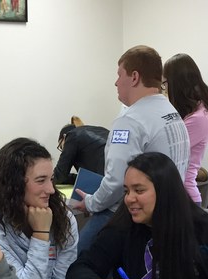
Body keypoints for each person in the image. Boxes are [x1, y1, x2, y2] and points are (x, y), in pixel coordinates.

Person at [66, 152, 208, 279]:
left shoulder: (207, 229)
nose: (129, 199)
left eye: (139, 191)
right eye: (127, 191)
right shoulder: (123, 226)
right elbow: (80, 269)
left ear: (165, 191)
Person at [71, 45, 190, 253]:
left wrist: (90, 203)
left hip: (126, 216)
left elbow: (116, 182)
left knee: (77, 263)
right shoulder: (171, 114)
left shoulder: (131, 121)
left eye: (119, 75)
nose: (116, 82)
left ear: (134, 77)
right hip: (167, 214)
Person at [0, 138, 78, 279]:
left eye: (51, 179)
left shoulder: (64, 218)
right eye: (40, 180)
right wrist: (41, 235)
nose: (51, 190)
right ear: (14, 184)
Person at [162, 53, 208, 204]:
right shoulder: (189, 113)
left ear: (176, 84)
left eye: (165, 83)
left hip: (185, 198)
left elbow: (166, 151)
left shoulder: (198, 118)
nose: (165, 89)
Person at [52, 116, 109, 185]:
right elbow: (84, 178)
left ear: (64, 136)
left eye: (61, 147)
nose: (63, 150)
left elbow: (59, 175)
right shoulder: (101, 130)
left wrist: (44, 179)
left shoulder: (72, 136)